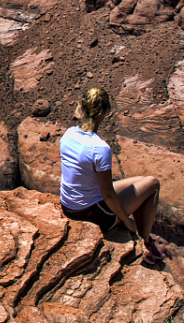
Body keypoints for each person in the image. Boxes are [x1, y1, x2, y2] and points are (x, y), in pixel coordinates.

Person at [59, 86, 163, 266]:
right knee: (153, 184)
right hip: (90, 212)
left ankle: (143, 236)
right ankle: (144, 241)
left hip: (69, 205)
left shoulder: (68, 134)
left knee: (140, 181)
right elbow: (108, 193)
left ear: (81, 108)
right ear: (105, 112)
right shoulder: (99, 148)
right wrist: (125, 220)